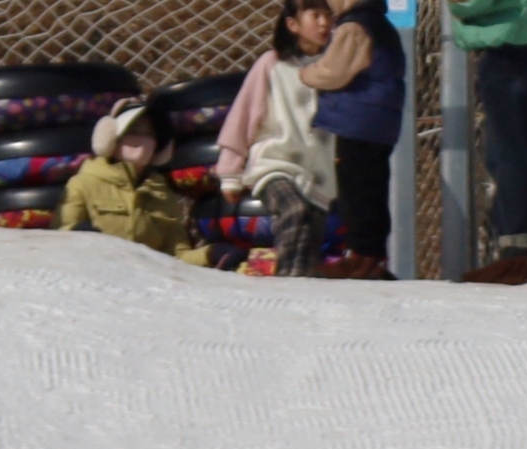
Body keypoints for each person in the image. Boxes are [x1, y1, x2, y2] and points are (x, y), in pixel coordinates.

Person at [448, 0, 527, 282]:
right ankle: (517, 245)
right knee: (519, 149)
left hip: (507, 43)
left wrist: (460, 6)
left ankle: (514, 252)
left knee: (509, 151)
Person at [218, 0, 339, 276]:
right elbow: (244, 116)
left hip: (319, 174)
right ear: (292, 24)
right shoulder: (272, 64)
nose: (324, 23)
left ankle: (299, 291)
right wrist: (230, 172)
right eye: (315, 15)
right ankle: (287, 283)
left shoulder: (334, 69)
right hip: (274, 164)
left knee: (311, 239)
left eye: (328, 16)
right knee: (295, 210)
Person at [300, 0, 405, 279]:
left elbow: (334, 72)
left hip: (357, 123)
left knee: (357, 192)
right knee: (373, 189)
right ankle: (373, 256)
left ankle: (363, 256)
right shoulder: (382, 26)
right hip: (381, 123)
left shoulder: (355, 26)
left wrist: (307, 73)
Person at [55, 98, 209, 267]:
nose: (142, 140)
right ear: (111, 138)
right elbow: (61, 240)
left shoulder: (163, 195)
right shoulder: (83, 184)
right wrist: (83, 239)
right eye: (133, 131)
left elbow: (176, 258)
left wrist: (210, 255)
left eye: (150, 134)